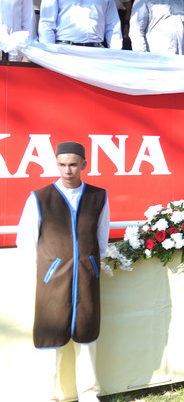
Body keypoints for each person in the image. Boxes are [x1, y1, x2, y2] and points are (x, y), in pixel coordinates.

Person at [16, 141, 110, 402]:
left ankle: (90, 394)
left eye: (72, 164)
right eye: (62, 165)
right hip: (52, 280)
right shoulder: (40, 197)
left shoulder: (98, 196)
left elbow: (101, 238)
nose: (67, 170)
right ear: (56, 164)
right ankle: (47, 395)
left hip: (87, 276)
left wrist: (91, 263)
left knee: (87, 336)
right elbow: (26, 240)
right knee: (50, 337)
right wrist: (49, 269)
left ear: (83, 165)